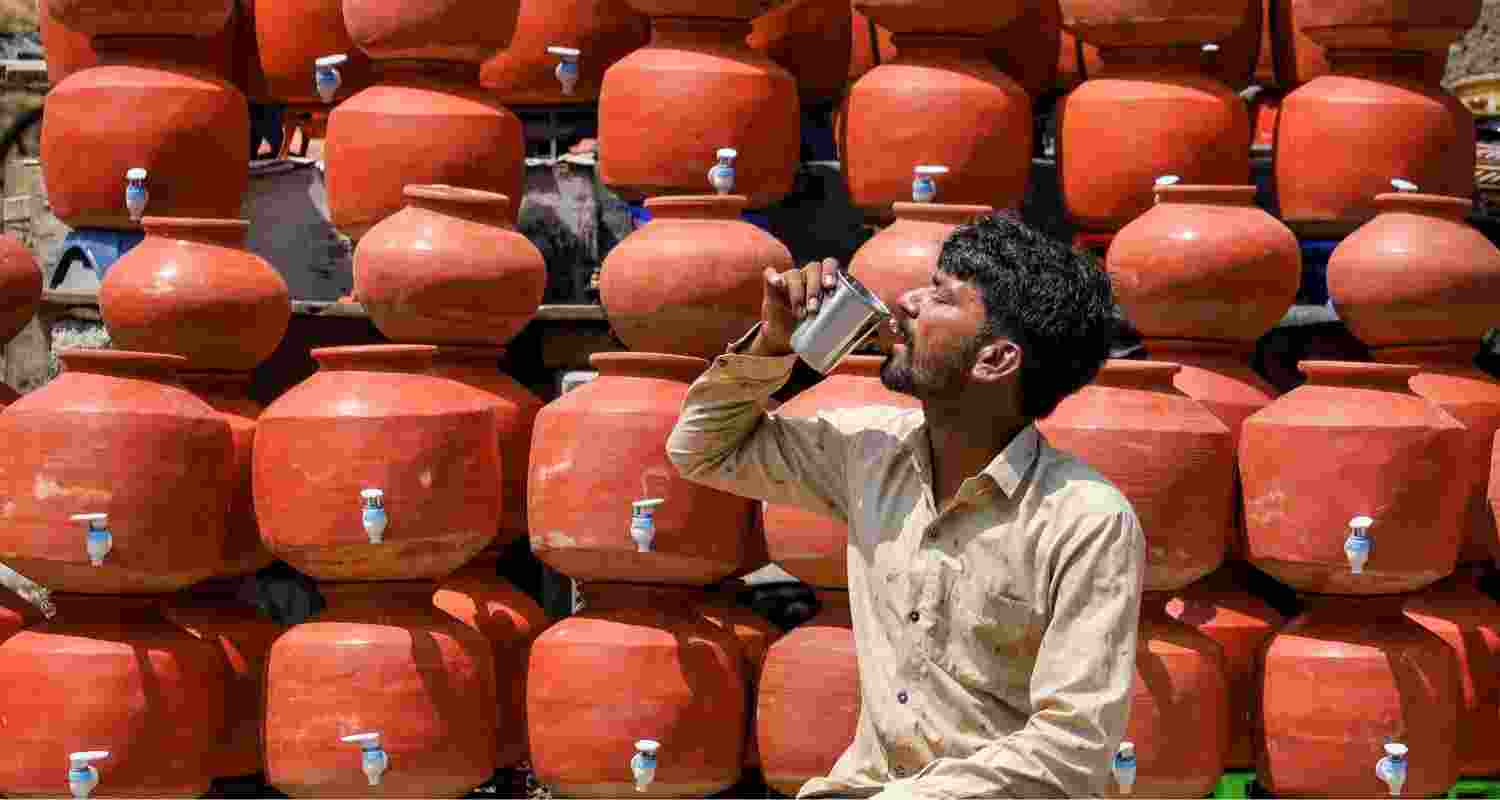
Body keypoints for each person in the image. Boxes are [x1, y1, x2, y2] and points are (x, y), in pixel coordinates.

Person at [666, 213, 1146, 799]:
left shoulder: (1086, 522)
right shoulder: (871, 454)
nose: (905, 302)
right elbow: (702, 449)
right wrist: (772, 343)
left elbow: (1073, 748)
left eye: (940, 296)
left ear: (995, 360)